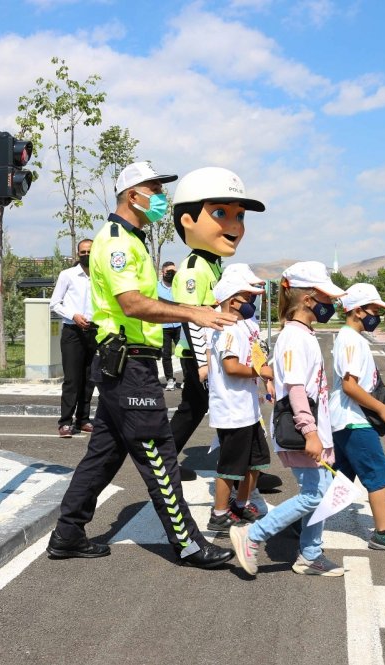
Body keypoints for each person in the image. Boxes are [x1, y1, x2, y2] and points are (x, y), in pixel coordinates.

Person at [46, 161, 240, 569]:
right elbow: (131, 303)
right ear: (132, 195)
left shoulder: (130, 240)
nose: (160, 199)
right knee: (160, 457)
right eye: (153, 190)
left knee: (102, 456)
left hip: (128, 363)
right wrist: (191, 312)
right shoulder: (117, 242)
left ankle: (67, 534)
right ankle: (188, 545)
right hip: (130, 364)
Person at [230, 262, 347, 577]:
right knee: (316, 493)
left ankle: (310, 554)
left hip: (310, 427)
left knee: (320, 490)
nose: (332, 305)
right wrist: (310, 431)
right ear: (309, 300)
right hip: (299, 428)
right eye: (327, 298)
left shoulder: (302, 335)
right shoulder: (294, 338)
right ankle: (252, 535)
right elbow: (295, 388)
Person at [170, 167, 264, 481]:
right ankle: (169, 465)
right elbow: (191, 318)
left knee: (199, 409)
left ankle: (244, 467)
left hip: (214, 352)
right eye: (221, 213)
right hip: (200, 356)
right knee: (201, 409)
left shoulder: (213, 264)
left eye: (239, 216)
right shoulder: (194, 268)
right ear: (187, 221)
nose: (234, 225)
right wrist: (202, 363)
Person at [331, 283, 385, 551]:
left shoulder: (351, 338)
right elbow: (350, 385)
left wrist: (379, 392)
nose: (376, 315)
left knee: (340, 479)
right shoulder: (351, 340)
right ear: (357, 311)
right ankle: (383, 532)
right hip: (355, 420)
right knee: (376, 475)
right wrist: (381, 408)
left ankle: (303, 520)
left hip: (347, 418)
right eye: (373, 309)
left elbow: (356, 382)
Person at [205, 272, 272, 536]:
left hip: (248, 410)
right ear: (233, 301)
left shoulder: (241, 326)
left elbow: (254, 356)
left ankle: (240, 504)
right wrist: (261, 373)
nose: (251, 302)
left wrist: (262, 369)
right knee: (231, 465)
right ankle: (219, 514)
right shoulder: (228, 330)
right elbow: (231, 367)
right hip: (232, 410)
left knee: (257, 461)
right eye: (247, 297)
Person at [50, 239, 97, 438]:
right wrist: (74, 316)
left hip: (95, 331)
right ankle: (65, 422)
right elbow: (54, 303)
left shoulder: (101, 276)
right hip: (72, 332)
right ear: (78, 254)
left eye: (90, 251)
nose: (86, 254)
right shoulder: (67, 275)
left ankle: (83, 419)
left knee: (90, 378)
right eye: (83, 252)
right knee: (72, 379)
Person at [157, 261, 182, 391]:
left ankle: (187, 379)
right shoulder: (156, 287)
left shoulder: (179, 286)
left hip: (179, 324)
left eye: (174, 272)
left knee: (183, 353)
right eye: (169, 272)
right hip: (164, 326)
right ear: (163, 272)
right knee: (166, 354)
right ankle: (170, 379)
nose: (171, 274)